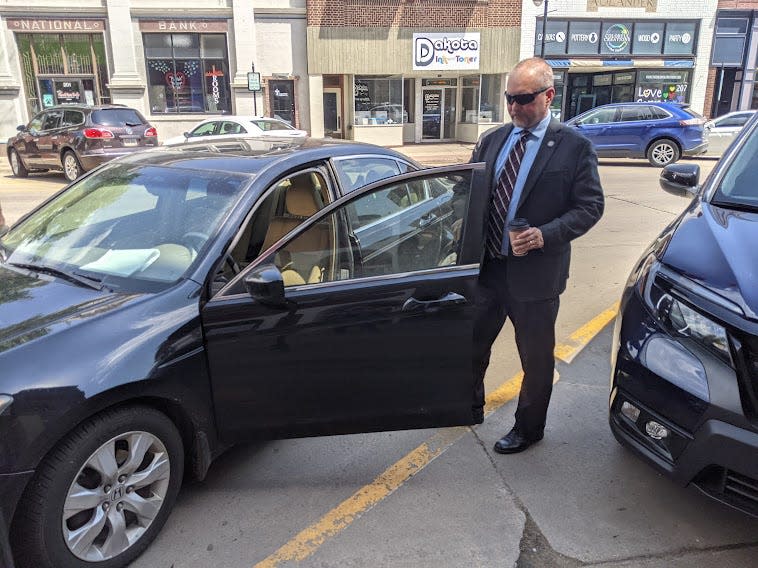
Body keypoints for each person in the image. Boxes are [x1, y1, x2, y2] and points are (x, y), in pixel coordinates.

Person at [470, 57, 604, 454]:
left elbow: (590, 207)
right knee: (472, 346)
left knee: (536, 360)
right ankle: (468, 406)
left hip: (535, 277)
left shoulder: (574, 147)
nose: (514, 108)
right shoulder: (493, 139)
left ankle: (529, 428)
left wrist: (544, 235)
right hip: (488, 269)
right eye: (509, 98)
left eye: (523, 99)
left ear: (548, 95)